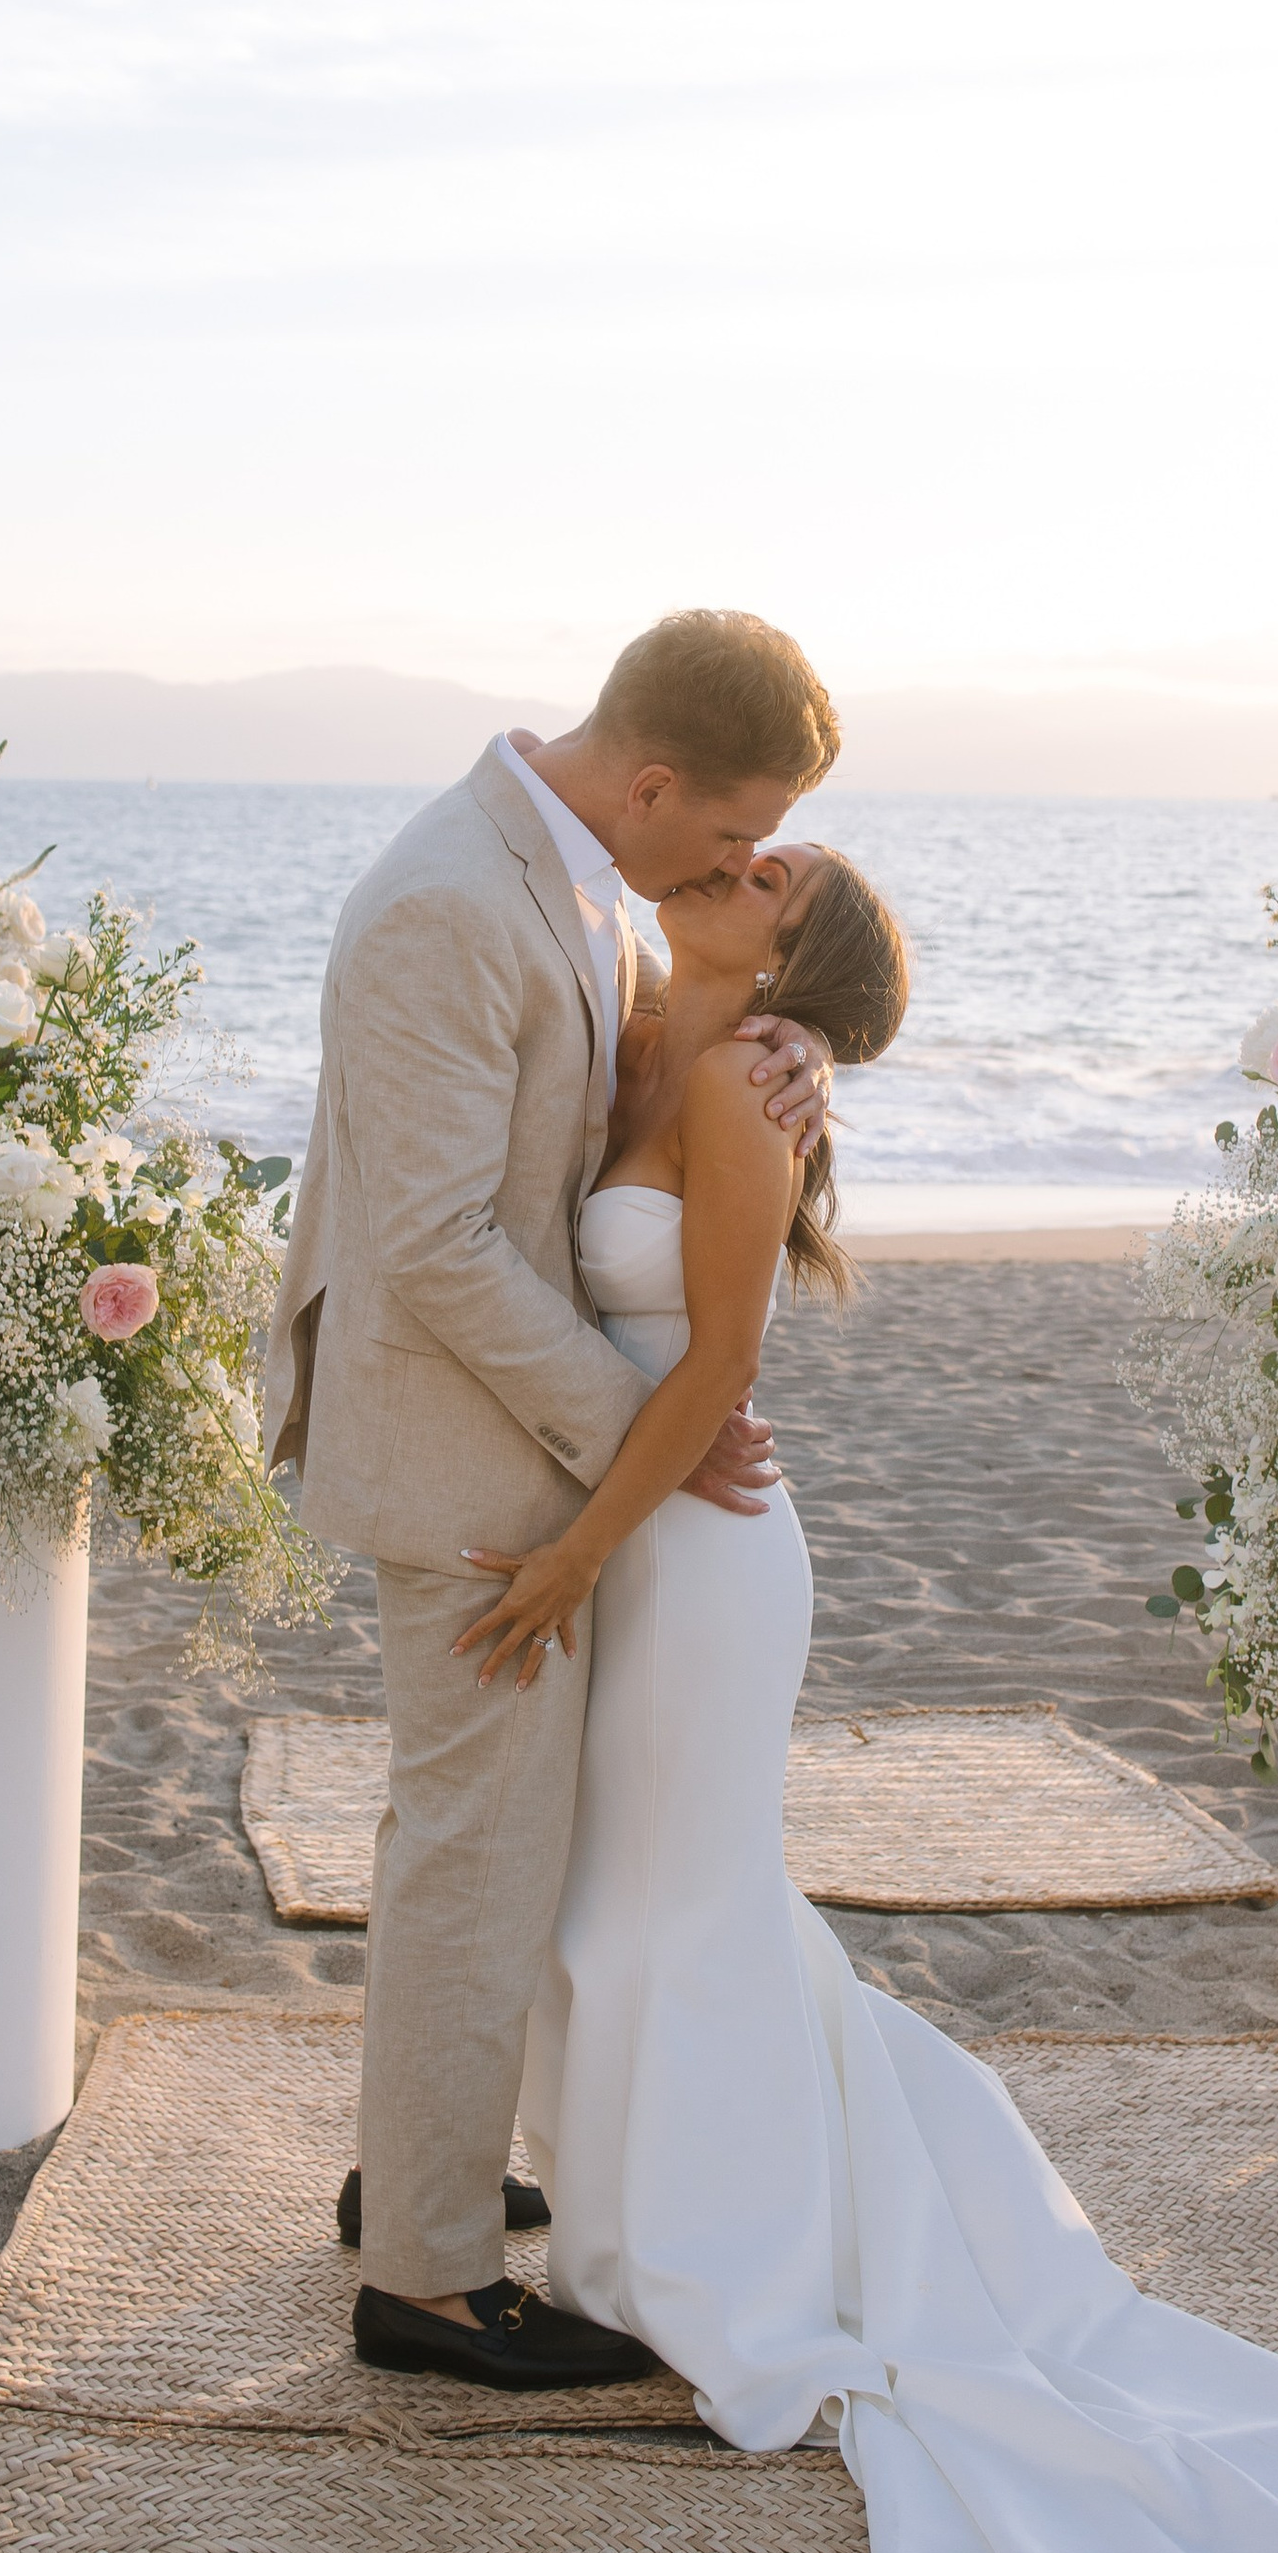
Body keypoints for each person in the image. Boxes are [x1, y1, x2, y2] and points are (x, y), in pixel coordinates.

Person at [456, 835, 1278, 2553]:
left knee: (673, 1905)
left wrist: (580, 1560)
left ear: (791, 958)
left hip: (690, 1550)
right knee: (622, 1901)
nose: (727, 863)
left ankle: (698, 2266)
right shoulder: (647, 1030)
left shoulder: (745, 1097)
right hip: (632, 1529)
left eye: (768, 873)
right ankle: (631, 2234)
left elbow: (726, 1359)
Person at [272, 608, 841, 2389]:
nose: (746, 863)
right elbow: (433, 1240)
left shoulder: (576, 875)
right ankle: (431, 2281)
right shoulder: (453, 896)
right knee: (477, 1845)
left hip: (513, 1440)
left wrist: (783, 1049)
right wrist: (653, 1429)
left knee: (479, 1836)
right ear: (656, 780)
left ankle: (422, 2171)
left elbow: (604, 1103)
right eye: (741, 835)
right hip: (466, 1456)